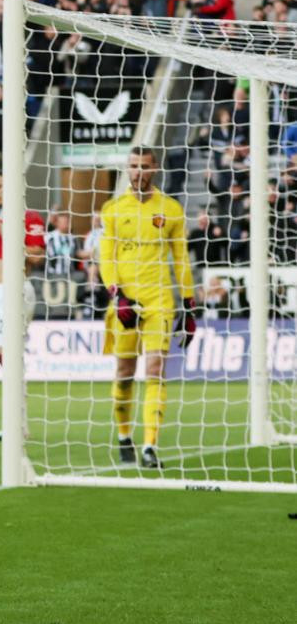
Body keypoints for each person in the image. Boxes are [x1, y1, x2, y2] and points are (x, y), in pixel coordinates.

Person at [100, 147, 196, 468]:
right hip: (125, 302)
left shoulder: (170, 209)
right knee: (125, 373)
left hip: (159, 301)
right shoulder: (112, 209)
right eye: (133, 166)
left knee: (155, 371)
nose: (138, 171)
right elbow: (106, 258)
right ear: (127, 169)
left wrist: (189, 302)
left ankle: (150, 446)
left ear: (154, 169)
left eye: (144, 166)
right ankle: (124, 435)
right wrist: (117, 294)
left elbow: (181, 258)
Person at [0, 173, 46, 441]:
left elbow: (37, 256)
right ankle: (15, 424)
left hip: (17, 289)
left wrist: (10, 235)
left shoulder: (29, 218)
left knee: (11, 356)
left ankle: (17, 425)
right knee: (3, 356)